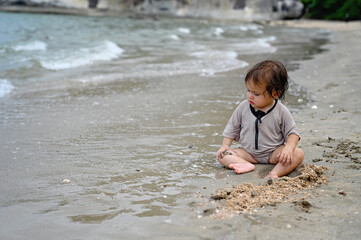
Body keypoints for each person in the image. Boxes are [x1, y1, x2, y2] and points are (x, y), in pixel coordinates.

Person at [216, 60, 304, 178]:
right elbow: (232, 127)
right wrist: (225, 145)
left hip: (273, 153)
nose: (250, 96)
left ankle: (275, 173)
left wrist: (288, 148)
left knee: (298, 154)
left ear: (275, 93)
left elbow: (293, 133)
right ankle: (244, 164)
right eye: (248, 90)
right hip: (248, 153)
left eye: (256, 94)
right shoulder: (243, 107)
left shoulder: (281, 111)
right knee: (221, 154)